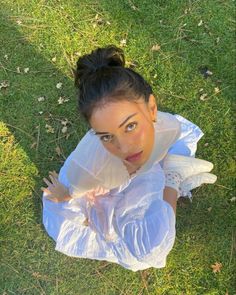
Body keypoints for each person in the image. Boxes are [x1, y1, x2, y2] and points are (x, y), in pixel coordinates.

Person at [41, 45, 217, 271]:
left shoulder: (170, 128)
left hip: (140, 172)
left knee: (151, 247)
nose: (124, 147)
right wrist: (64, 194)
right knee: (147, 248)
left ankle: (172, 176)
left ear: (152, 109)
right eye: (106, 135)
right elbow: (72, 192)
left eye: (130, 125)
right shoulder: (87, 168)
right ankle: (172, 177)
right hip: (107, 178)